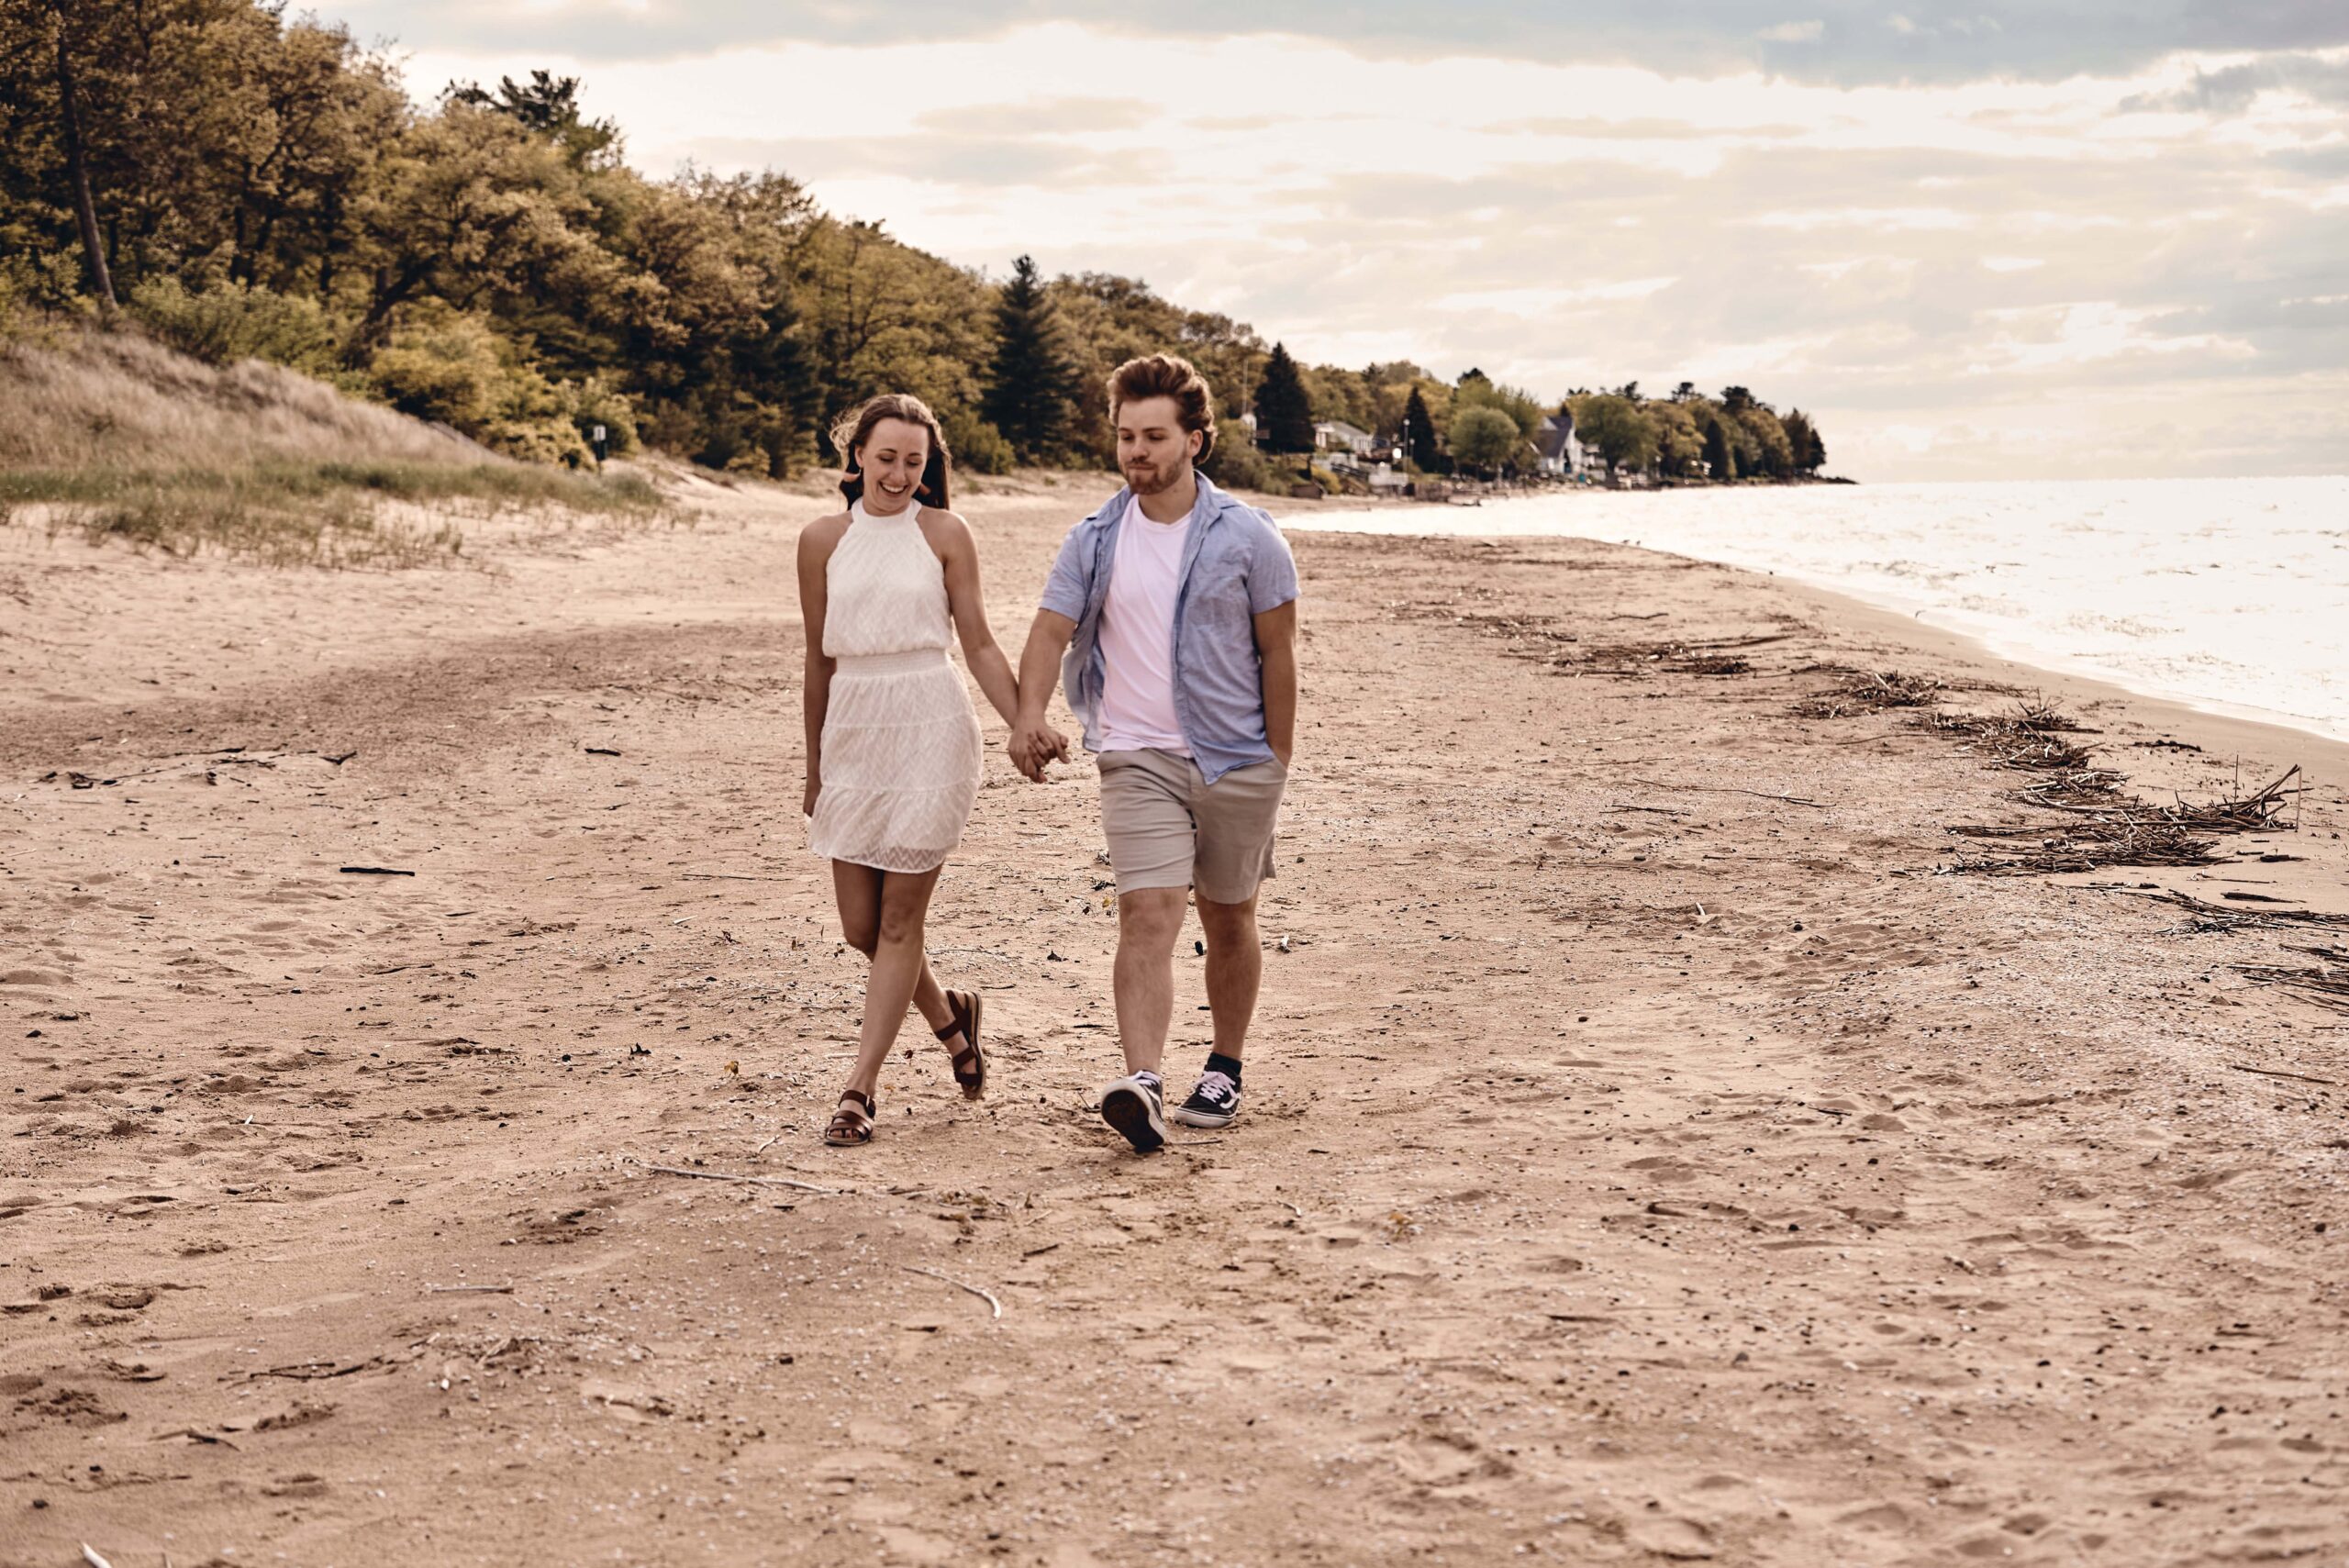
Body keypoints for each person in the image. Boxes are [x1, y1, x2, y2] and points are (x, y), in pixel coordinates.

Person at [1010, 354, 1300, 1153]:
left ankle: (1225, 1065)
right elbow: (1048, 631)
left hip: (1236, 758)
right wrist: (1027, 713)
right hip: (1136, 754)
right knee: (1147, 913)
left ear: (1195, 440)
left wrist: (1276, 758)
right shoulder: (1094, 539)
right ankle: (1141, 1080)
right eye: (1125, 436)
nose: (1136, 451)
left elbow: (1279, 653)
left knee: (1230, 914)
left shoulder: (1250, 536)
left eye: (1153, 436)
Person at [797, 394, 1022, 1147]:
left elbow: (982, 644)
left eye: (913, 461)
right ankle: (953, 1024)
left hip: (931, 724)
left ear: (929, 468)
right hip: (855, 731)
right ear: (856, 454)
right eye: (885, 456)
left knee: (900, 921)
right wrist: (814, 765)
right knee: (862, 927)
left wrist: (1025, 719)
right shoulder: (821, 539)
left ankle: (858, 1090)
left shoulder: (946, 533)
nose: (897, 473)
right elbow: (817, 659)